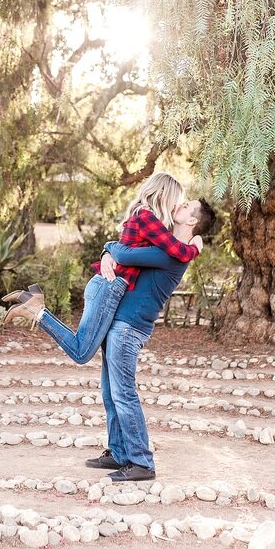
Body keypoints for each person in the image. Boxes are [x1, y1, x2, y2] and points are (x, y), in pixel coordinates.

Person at [1, 172, 202, 363]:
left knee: (83, 348)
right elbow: (178, 251)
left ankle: (35, 305)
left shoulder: (144, 216)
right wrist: (195, 246)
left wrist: (107, 251)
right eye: (176, 200)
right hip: (110, 286)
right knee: (81, 353)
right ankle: (37, 310)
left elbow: (127, 249)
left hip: (107, 285)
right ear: (163, 195)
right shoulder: (147, 217)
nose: (177, 205)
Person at [88, 197, 217, 482]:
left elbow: (125, 255)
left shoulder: (170, 254)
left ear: (192, 221)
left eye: (185, 206)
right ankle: (119, 452)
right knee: (111, 393)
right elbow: (129, 250)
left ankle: (141, 462)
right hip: (121, 324)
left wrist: (109, 249)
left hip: (129, 327)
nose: (178, 206)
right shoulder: (171, 247)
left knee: (123, 393)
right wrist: (110, 252)